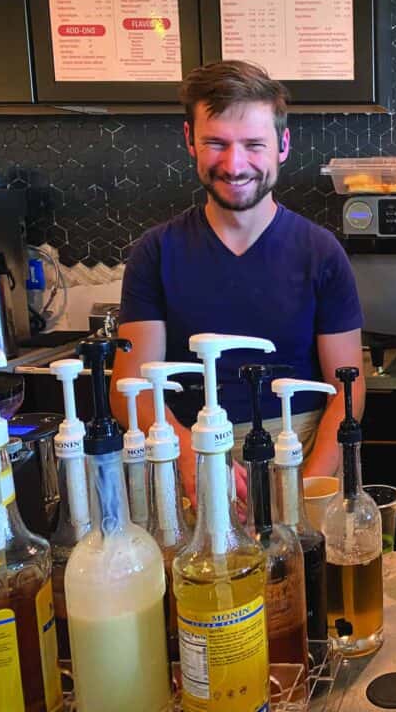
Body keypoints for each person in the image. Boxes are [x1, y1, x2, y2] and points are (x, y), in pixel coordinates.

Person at [111, 60, 365, 503]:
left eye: (253, 144)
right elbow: (129, 388)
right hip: (185, 450)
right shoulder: (155, 253)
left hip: (301, 446)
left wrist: (310, 485)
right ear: (190, 141)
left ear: (282, 145)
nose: (234, 164)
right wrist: (190, 454)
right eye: (216, 143)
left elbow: (348, 387)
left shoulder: (321, 252)